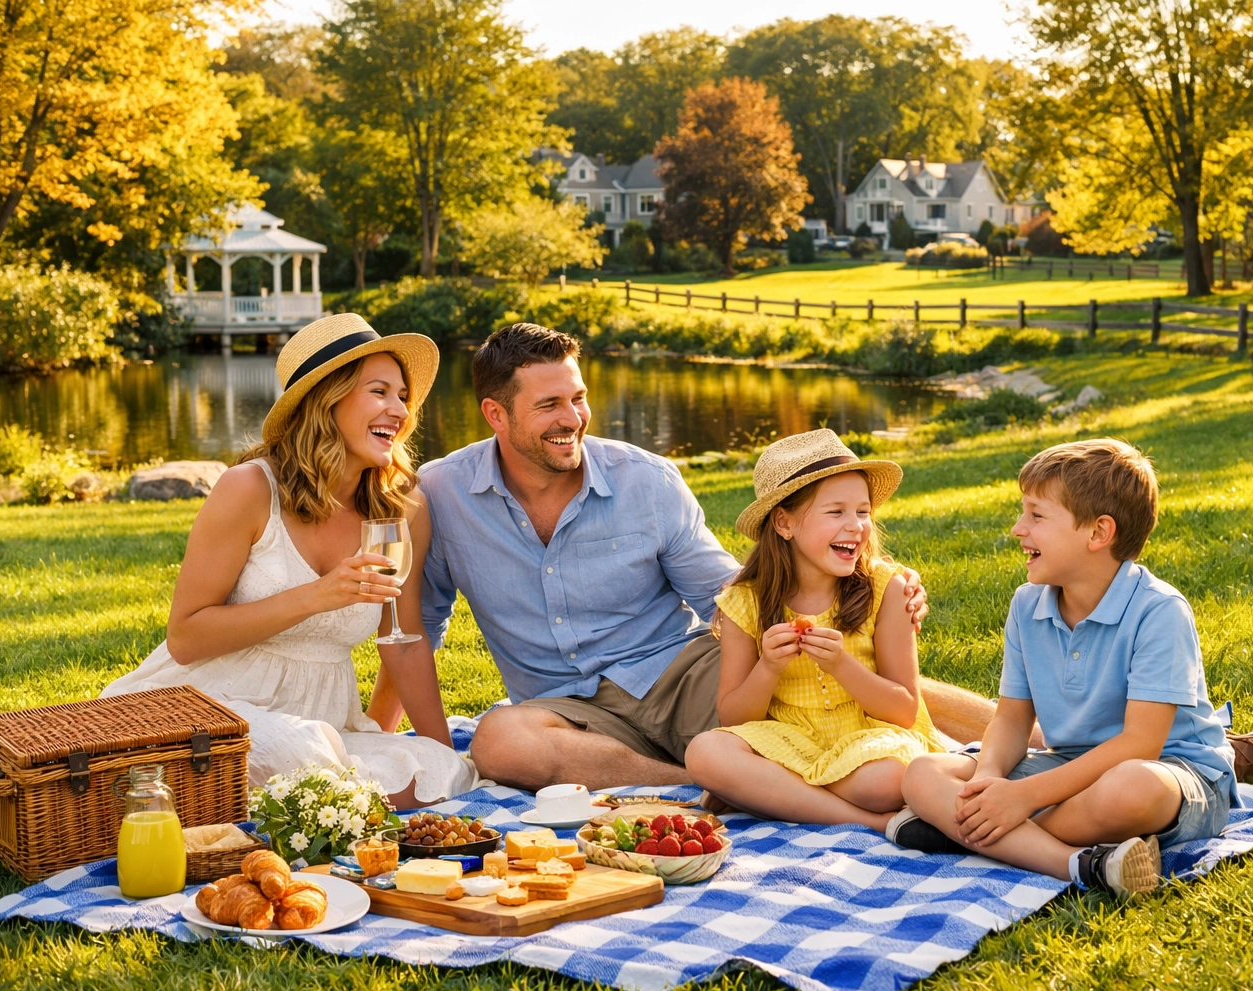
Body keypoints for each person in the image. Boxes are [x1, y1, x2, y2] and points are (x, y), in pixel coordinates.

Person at [365, 323, 992, 791]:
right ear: (495, 414)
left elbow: (731, 593)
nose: (573, 419)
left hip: (679, 675)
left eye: (578, 398)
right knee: (501, 744)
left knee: (822, 677)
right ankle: (697, 785)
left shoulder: (646, 480)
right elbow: (415, 627)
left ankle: (1030, 737)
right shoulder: (442, 495)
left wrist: (872, 588)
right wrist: (409, 744)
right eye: (549, 405)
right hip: (565, 710)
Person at [101, 314, 475, 807]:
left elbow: (402, 643)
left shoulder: (402, 507)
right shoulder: (250, 489)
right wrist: (315, 597)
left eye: (403, 396)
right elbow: (187, 638)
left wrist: (439, 754)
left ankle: (297, 798)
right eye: (379, 392)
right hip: (207, 703)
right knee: (308, 756)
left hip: (322, 719)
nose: (400, 410)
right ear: (328, 399)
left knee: (440, 771)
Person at [891, 439, 1237, 897]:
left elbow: (1140, 744)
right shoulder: (1027, 604)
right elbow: (1013, 716)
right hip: (1068, 768)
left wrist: (1023, 800)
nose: (1018, 529)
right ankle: (1079, 863)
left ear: (1098, 533)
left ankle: (967, 830)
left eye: (1036, 515)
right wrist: (989, 779)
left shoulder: (1160, 611)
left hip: (1171, 773)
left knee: (1129, 789)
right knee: (921, 775)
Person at [684, 431, 946, 830]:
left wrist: (842, 664)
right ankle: (872, 822)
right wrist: (768, 667)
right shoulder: (745, 602)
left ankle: (773, 795)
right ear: (784, 523)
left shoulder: (887, 590)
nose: (856, 526)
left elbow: (904, 710)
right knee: (704, 753)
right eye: (836, 512)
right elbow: (734, 718)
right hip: (788, 741)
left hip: (868, 740)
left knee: (887, 780)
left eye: (863, 512)